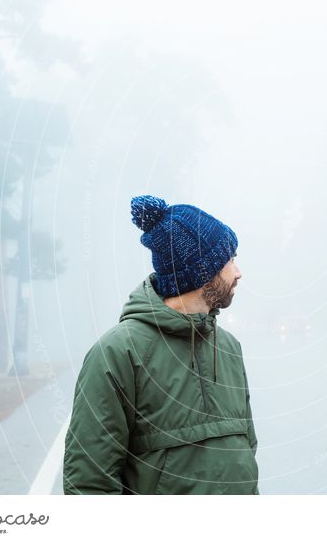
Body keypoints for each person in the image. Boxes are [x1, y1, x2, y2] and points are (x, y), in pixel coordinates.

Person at [63, 195, 259, 494]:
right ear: (201, 271)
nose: (238, 271)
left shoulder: (229, 348)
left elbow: (246, 452)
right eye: (229, 259)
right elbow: (89, 483)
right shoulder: (118, 352)